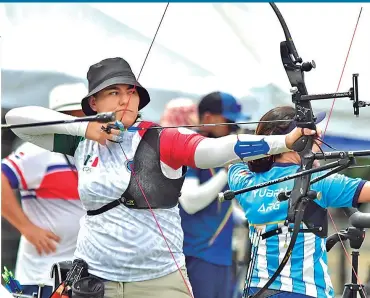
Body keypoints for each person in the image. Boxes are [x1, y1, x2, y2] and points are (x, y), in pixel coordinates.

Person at [5, 57, 316, 298]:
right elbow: (15, 120)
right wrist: (85, 128)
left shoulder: (162, 139)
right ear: (94, 104)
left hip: (158, 281)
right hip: (95, 281)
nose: (126, 100)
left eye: (131, 92)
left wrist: (283, 142)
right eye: (114, 92)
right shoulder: (79, 142)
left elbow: (217, 148)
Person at [227, 106, 370, 298]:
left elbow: (234, 158)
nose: (318, 138)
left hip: (257, 291)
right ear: (300, 141)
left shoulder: (243, 181)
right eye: (312, 135)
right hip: (304, 292)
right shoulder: (317, 181)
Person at [1, 83, 87, 298]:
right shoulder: (38, 150)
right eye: (69, 116)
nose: (76, 122)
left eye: (82, 115)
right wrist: (26, 227)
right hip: (41, 280)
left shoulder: (92, 149)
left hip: (84, 274)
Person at [179, 91, 248, 298]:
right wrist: (226, 172)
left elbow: (220, 206)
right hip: (198, 254)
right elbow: (190, 202)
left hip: (222, 256)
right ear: (208, 119)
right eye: (228, 121)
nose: (233, 128)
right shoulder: (189, 149)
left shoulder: (220, 156)